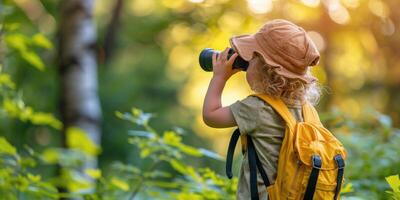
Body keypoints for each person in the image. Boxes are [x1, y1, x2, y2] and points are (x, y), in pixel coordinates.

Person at [202, 19, 321, 199]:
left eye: (252, 58)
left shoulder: (257, 108)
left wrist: (220, 77)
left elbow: (210, 116)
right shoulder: (307, 110)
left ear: (263, 69)